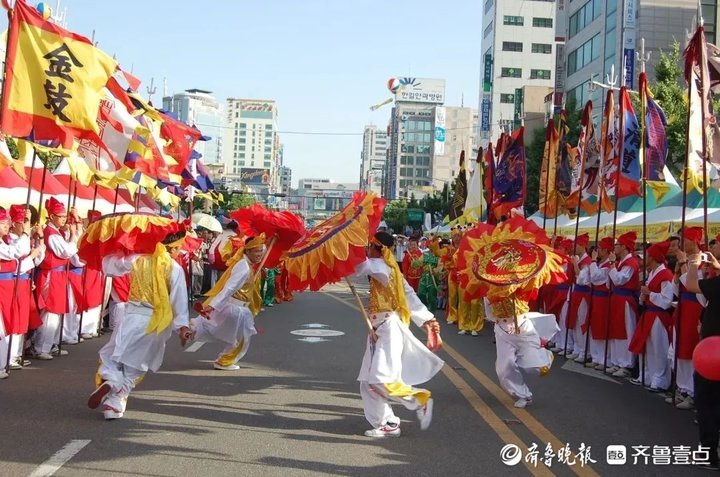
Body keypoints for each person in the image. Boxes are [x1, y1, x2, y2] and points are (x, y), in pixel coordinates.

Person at [87, 229, 193, 420]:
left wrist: (117, 249)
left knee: (112, 356)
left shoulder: (139, 258)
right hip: (155, 322)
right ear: (174, 247)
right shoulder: (174, 268)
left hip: (131, 317)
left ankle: (112, 390)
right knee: (136, 367)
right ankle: (116, 392)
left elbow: (110, 267)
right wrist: (182, 327)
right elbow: (179, 300)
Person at [352, 231, 443, 438]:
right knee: (368, 381)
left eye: (369, 246)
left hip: (387, 328)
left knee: (378, 379)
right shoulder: (392, 269)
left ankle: (419, 401)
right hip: (379, 329)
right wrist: (428, 321)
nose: (367, 249)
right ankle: (388, 423)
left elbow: (357, 266)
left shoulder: (380, 266)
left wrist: (339, 251)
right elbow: (410, 295)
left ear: (378, 248)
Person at [195, 235, 264, 371]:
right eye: (256, 251)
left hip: (235, 307)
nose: (260, 254)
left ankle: (189, 330)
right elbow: (229, 288)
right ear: (247, 251)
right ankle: (223, 361)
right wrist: (213, 305)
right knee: (242, 339)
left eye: (261, 251)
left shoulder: (247, 265)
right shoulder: (243, 267)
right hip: (235, 308)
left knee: (212, 326)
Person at [684, 250, 720, 471]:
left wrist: (693, 264)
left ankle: (708, 454)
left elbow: (691, 285)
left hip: (714, 353)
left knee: (707, 403)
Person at [32, 198, 81, 360]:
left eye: (64, 216)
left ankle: (51, 343)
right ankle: (41, 347)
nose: (63, 219)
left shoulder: (57, 232)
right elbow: (66, 251)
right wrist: (73, 235)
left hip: (59, 274)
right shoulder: (51, 234)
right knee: (51, 311)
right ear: (51, 216)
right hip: (51, 275)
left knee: (57, 310)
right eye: (60, 216)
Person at [628, 241, 673, 391]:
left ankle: (659, 379)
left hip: (658, 316)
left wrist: (650, 294)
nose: (644, 258)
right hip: (649, 313)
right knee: (646, 346)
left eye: (647, 255)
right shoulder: (652, 273)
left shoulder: (666, 274)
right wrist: (644, 295)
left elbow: (666, 301)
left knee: (658, 347)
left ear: (653, 257)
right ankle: (646, 374)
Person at [668, 227, 705, 409]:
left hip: (695, 308)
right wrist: (677, 272)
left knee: (690, 348)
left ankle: (691, 392)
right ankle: (682, 388)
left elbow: (694, 286)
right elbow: (676, 289)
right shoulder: (685, 260)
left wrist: (683, 266)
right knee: (679, 347)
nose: (682, 244)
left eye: (685, 240)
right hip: (682, 307)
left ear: (693, 241)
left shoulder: (702, 260)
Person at [607, 231, 640, 378]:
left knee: (626, 331)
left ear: (625, 247)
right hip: (617, 298)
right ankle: (617, 361)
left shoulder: (631, 263)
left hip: (625, 299)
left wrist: (612, 265)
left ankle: (626, 363)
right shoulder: (622, 262)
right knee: (616, 330)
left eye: (617, 245)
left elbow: (620, 280)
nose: (615, 247)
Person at [587, 237, 614, 369]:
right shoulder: (601, 264)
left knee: (602, 329)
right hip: (596, 298)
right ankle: (596, 356)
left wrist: (592, 261)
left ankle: (604, 359)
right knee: (595, 327)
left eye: (600, 249)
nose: (597, 251)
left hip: (604, 299)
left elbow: (595, 278)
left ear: (606, 251)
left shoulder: (608, 266)